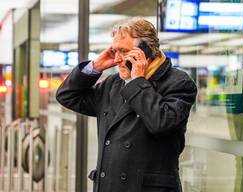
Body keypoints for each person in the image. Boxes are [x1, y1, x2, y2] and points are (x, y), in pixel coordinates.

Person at [56, 17, 197, 192]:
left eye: (123, 51)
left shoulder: (178, 82)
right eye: (114, 51)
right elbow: (67, 96)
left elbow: (161, 123)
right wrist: (96, 66)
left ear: (146, 51)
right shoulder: (112, 84)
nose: (116, 59)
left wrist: (136, 81)